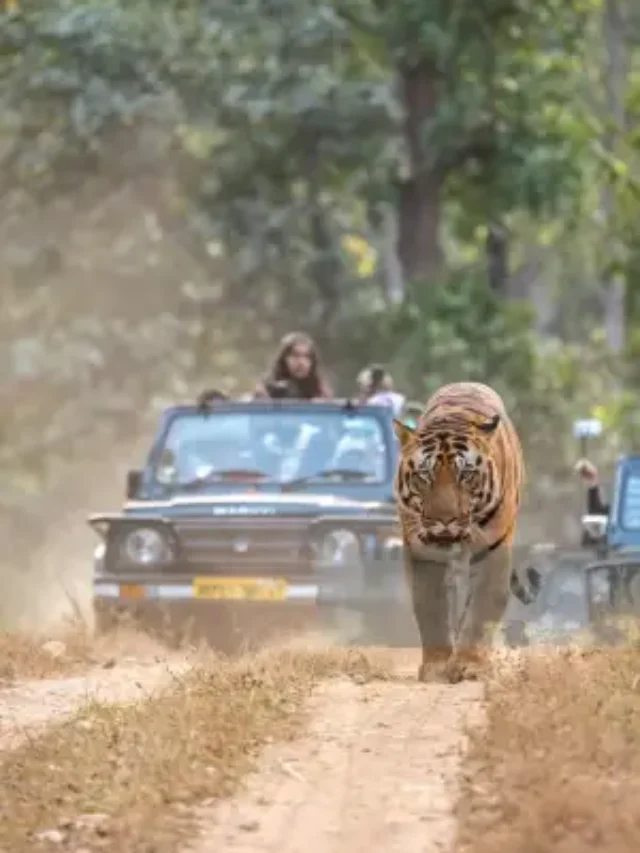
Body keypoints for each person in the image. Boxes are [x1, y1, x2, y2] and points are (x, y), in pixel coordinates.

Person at [253, 332, 333, 400]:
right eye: (295, 355)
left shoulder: (319, 391)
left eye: (307, 356)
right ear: (284, 359)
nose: (301, 362)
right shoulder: (267, 389)